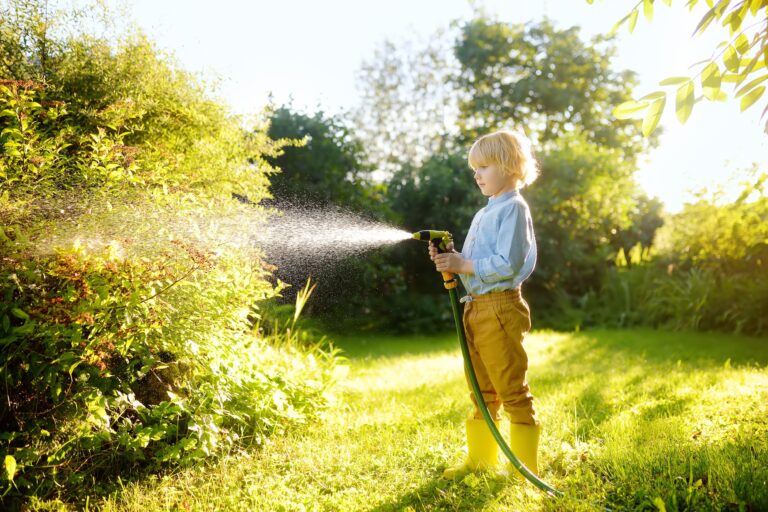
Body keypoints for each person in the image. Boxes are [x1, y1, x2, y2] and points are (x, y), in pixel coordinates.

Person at [429, 129, 540, 481]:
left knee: (511, 389)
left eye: (484, 166)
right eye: (474, 168)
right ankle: (480, 461)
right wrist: (453, 259)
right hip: (475, 306)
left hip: (501, 309)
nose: (476, 175)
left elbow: (506, 263)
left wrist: (463, 265)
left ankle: (524, 470)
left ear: (509, 166)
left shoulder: (514, 209)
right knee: (480, 388)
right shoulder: (485, 212)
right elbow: (475, 262)